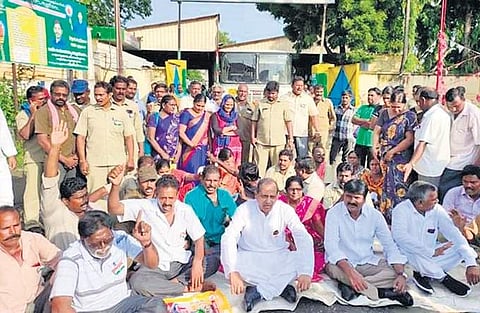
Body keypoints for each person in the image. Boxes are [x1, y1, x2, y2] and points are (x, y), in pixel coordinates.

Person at [108, 170, 214, 296]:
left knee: (213, 261)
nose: (167, 203)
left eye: (171, 198)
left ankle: (172, 283)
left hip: (181, 263)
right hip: (155, 266)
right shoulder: (145, 206)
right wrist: (115, 186)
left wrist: (197, 263)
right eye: (163, 198)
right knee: (138, 283)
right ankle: (186, 288)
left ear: (177, 195)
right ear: (156, 194)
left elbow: (199, 237)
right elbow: (114, 208)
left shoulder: (185, 210)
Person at [221, 178, 314, 312]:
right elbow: (229, 236)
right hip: (250, 257)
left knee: (299, 261)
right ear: (256, 195)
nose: (268, 201)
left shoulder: (284, 209)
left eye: (272, 196)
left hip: (278, 256)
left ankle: (258, 292)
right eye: (264, 196)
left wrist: (305, 272)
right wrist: (232, 271)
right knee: (234, 264)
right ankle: (281, 287)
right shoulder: (244, 209)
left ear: (277, 196)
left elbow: (302, 236)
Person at [50, 210, 166, 312]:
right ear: (83, 239)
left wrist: (146, 243)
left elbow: (152, 264)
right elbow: (60, 307)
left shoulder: (120, 239)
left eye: (107, 240)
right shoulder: (71, 259)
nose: (103, 246)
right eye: (95, 243)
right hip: (91, 310)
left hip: (122, 304)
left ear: (111, 231)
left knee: (155, 306)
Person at [324, 180, 413, 306]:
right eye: (348, 196)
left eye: (357, 198)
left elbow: (389, 245)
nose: (351, 201)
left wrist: (401, 275)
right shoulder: (333, 213)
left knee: (408, 270)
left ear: (365, 198)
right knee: (331, 268)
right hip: (342, 265)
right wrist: (351, 272)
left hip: (367, 261)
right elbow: (331, 247)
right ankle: (383, 293)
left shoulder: (375, 215)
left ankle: (351, 286)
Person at [391, 181, 480, 296]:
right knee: (415, 255)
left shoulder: (437, 209)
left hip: (431, 254)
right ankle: (443, 278)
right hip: (408, 253)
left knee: (461, 249)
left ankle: (423, 274)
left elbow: (454, 234)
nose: (437, 202)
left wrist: (471, 263)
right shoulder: (400, 210)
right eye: (433, 200)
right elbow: (401, 238)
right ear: (420, 203)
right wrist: (430, 252)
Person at [75, 81, 135, 196]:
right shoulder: (87, 112)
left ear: (110, 94)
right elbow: (80, 138)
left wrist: (131, 158)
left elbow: (128, 137)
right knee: (95, 198)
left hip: (117, 162)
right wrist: (82, 161)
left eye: (101, 95)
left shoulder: (121, 113)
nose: (98, 98)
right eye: (96, 95)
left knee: (117, 195)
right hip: (95, 164)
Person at [42, 121, 92, 250]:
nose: (85, 200)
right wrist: (55, 147)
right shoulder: (54, 212)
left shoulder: (91, 210)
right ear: (65, 201)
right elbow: (50, 180)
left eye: (85, 195)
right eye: (80, 197)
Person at [0, 206, 60, 313]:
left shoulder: (33, 240)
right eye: (5, 228)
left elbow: (61, 260)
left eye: (16, 225)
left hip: (39, 303)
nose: (12, 232)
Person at [372, 88, 416, 224]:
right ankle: (387, 216)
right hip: (384, 157)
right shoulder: (384, 113)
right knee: (386, 186)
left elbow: (409, 139)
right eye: (393, 106)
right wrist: (374, 147)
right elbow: (377, 131)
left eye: (399, 107)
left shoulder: (410, 116)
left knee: (399, 187)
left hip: (400, 157)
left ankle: (401, 218)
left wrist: (392, 151)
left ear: (404, 105)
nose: (396, 110)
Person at [184, 165, 237, 269]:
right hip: (200, 241)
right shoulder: (191, 196)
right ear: (202, 179)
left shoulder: (225, 195)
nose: (212, 184)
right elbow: (190, 226)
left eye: (215, 181)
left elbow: (235, 218)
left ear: (219, 181)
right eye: (208, 180)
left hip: (221, 240)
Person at [279, 176, 326, 282]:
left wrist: (327, 241)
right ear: (286, 190)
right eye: (292, 189)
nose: (295, 192)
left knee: (315, 259)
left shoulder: (310, 204)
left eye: (298, 189)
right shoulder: (280, 203)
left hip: (304, 235)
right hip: (284, 236)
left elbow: (318, 225)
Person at [403, 88, 450, 187]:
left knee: (426, 196)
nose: (418, 105)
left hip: (429, 167)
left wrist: (411, 164)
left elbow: (423, 143)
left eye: (419, 102)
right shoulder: (440, 113)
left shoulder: (433, 117)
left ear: (423, 100)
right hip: (430, 164)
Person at [35, 80, 80, 184]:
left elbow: (81, 135)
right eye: (57, 94)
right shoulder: (43, 112)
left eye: (64, 95)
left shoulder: (74, 110)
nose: (61, 97)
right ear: (51, 94)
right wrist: (64, 160)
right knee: (53, 193)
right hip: (55, 160)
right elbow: (43, 141)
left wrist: (77, 156)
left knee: (70, 195)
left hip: (74, 160)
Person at [439, 87, 480, 200]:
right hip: (447, 158)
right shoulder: (448, 112)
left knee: (446, 190)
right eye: (450, 106)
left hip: (463, 161)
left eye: (456, 105)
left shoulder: (474, 113)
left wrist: (475, 166)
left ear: (463, 99)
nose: (453, 108)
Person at [251, 81, 294, 177]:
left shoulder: (284, 104)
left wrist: (291, 139)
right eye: (269, 93)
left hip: (278, 142)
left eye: (273, 93)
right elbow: (254, 121)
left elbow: (288, 122)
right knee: (259, 167)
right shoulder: (260, 104)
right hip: (261, 142)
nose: (271, 95)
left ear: (277, 93)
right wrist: (252, 137)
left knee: (278, 167)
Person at [16, 86, 46, 222]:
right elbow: (25, 134)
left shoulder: (48, 111)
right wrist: (34, 115)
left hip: (49, 157)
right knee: (32, 192)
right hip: (34, 158)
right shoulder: (23, 115)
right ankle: (31, 220)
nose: (43, 101)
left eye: (44, 98)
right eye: (40, 99)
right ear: (31, 101)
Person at [283, 77, 321, 159]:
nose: (299, 87)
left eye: (301, 85)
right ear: (292, 86)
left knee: (302, 158)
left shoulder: (308, 99)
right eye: (297, 85)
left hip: (302, 134)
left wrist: (317, 131)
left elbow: (313, 115)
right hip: (286, 133)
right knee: (287, 157)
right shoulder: (285, 98)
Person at [110, 75, 145, 161]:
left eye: (123, 89)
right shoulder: (107, 105)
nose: (121, 92)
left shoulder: (133, 106)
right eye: (118, 88)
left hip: (131, 150)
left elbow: (138, 129)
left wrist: (141, 149)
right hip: (113, 150)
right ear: (112, 88)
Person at [443, 165, 480, 244]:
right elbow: (444, 218)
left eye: (473, 182)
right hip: (456, 231)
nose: (468, 185)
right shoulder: (453, 193)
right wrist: (459, 225)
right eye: (465, 182)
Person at [178, 94, 210, 174]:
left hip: (202, 148)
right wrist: (191, 144)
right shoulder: (186, 114)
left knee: (201, 171)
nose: (200, 108)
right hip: (189, 147)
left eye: (202, 106)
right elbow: (181, 132)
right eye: (198, 105)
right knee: (190, 170)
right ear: (193, 103)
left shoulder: (206, 115)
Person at [352, 87, 381, 167]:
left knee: (371, 167)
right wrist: (366, 121)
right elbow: (353, 119)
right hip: (360, 142)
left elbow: (372, 125)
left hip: (372, 144)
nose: (369, 97)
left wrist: (360, 122)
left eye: (372, 95)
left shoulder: (380, 109)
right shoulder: (363, 107)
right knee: (357, 166)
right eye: (368, 95)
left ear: (379, 96)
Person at [210, 94, 242, 166]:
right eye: (227, 104)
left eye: (231, 105)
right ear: (223, 103)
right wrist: (231, 128)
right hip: (220, 145)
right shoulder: (215, 115)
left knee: (233, 166)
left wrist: (224, 132)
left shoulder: (236, 116)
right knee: (220, 166)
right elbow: (216, 130)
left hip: (234, 145)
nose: (229, 107)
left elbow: (240, 131)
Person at [147, 94, 181, 162]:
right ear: (163, 105)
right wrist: (162, 154)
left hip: (173, 156)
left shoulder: (176, 118)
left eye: (174, 105)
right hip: (158, 154)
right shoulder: (154, 117)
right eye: (171, 105)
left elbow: (179, 138)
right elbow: (150, 138)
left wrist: (178, 153)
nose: (173, 107)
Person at [311, 85, 336, 163]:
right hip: (311, 132)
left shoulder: (327, 102)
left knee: (323, 152)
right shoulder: (310, 101)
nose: (319, 94)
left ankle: (322, 171)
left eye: (321, 92)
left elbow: (333, 117)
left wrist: (329, 128)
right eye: (317, 92)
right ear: (314, 91)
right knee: (310, 152)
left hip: (323, 132)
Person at [330, 90, 355, 165]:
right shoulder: (336, 109)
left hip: (348, 137)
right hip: (337, 136)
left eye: (346, 97)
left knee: (346, 159)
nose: (344, 99)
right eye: (343, 97)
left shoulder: (354, 110)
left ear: (350, 99)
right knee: (332, 157)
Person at [236, 83, 255, 163]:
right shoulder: (230, 104)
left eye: (245, 92)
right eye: (240, 91)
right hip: (233, 138)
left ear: (247, 93)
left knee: (244, 161)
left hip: (245, 138)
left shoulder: (252, 106)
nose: (242, 94)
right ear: (237, 92)